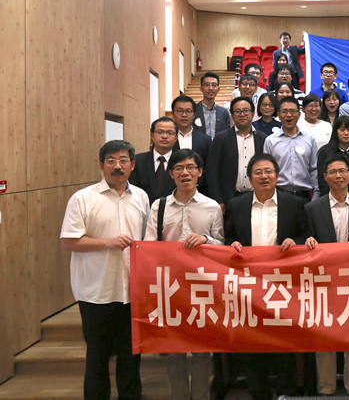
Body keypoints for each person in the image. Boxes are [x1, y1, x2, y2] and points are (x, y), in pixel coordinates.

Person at [60, 140, 149, 400]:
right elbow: (68, 242)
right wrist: (108, 243)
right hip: (96, 292)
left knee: (131, 357)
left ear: (132, 165)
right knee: (97, 358)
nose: (117, 166)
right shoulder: (82, 198)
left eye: (123, 160)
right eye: (111, 161)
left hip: (132, 291)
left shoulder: (142, 197)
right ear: (101, 166)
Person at [224, 153, 308, 400]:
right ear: (250, 179)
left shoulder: (293, 204)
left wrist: (295, 241)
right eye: (258, 172)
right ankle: (258, 392)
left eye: (268, 171)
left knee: (284, 341)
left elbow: (305, 234)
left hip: (283, 284)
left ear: (277, 176)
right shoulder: (236, 205)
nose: (264, 176)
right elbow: (227, 237)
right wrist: (232, 244)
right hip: (248, 284)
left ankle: (286, 393)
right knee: (252, 341)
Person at [143, 149, 222, 400]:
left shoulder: (212, 206)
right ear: (171, 174)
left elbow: (222, 245)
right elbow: (148, 245)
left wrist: (206, 239)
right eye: (178, 168)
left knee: (201, 349)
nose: (184, 173)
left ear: (200, 172)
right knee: (173, 349)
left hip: (202, 285)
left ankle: (201, 396)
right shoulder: (159, 206)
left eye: (190, 167)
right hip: (170, 286)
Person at [304, 153, 349, 396]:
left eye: (342, 171)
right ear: (325, 177)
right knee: (325, 334)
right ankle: (326, 388)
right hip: (324, 279)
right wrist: (307, 240)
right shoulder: (312, 208)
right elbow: (305, 237)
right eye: (332, 172)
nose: (338, 176)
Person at [205, 96, 267, 212]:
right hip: (229, 199)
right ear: (232, 115)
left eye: (246, 110)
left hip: (257, 198)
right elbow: (212, 171)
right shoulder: (221, 139)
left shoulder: (263, 139)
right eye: (237, 111)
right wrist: (218, 200)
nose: (242, 114)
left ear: (253, 114)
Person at [264, 97, 319, 205]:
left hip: (304, 196)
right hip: (279, 195)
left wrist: (316, 195)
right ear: (279, 115)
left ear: (299, 115)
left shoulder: (309, 139)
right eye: (284, 111)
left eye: (292, 111)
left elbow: (314, 169)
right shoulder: (270, 141)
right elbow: (267, 171)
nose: (288, 115)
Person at [130, 117, 178, 205]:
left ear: (176, 137)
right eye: (160, 132)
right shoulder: (137, 161)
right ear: (152, 136)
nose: (164, 136)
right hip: (142, 209)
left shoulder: (181, 162)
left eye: (170, 133)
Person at [171, 95, 212, 165]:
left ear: (194, 114)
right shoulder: (166, 138)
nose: (184, 115)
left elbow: (209, 165)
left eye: (188, 111)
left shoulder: (205, 140)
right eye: (179, 111)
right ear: (172, 114)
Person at [196, 72, 231, 139]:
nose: (211, 88)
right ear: (201, 88)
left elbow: (227, 135)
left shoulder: (223, 113)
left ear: (218, 89)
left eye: (214, 85)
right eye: (207, 85)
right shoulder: (193, 110)